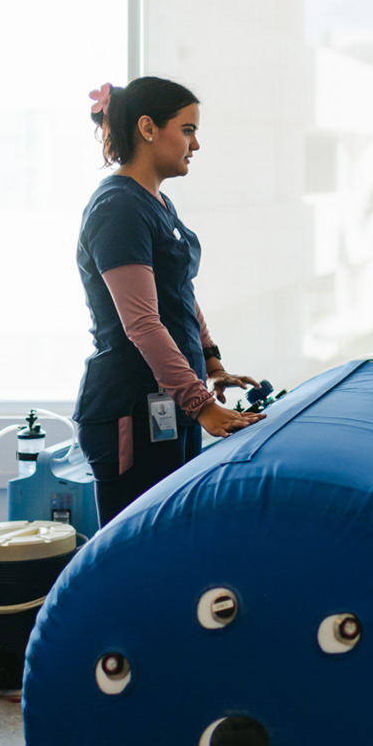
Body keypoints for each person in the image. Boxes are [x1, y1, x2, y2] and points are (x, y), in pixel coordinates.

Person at [76, 77, 265, 525]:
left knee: (172, 540)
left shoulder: (157, 203)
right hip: (131, 407)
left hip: (172, 401)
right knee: (136, 550)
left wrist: (212, 364)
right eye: (187, 130)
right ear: (147, 128)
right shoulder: (119, 208)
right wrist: (201, 404)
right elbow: (142, 323)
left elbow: (179, 291)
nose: (195, 144)